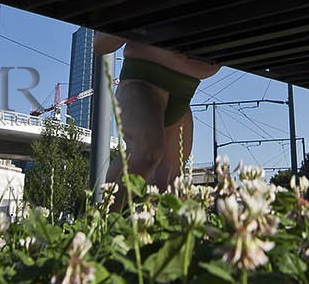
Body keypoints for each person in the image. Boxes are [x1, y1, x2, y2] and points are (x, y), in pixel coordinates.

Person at [92, 34, 221, 190]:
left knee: (168, 183)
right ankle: (107, 212)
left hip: (184, 94)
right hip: (141, 82)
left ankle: (138, 212)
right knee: (145, 153)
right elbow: (100, 44)